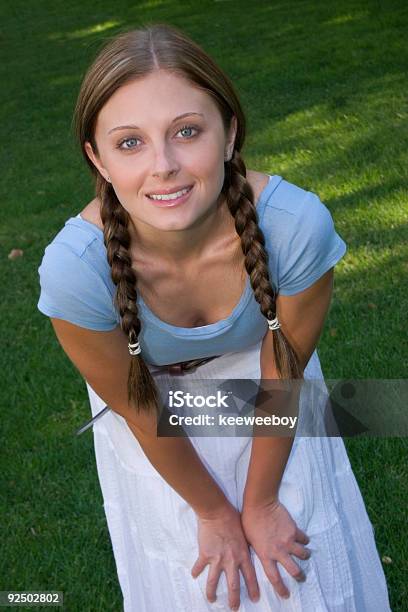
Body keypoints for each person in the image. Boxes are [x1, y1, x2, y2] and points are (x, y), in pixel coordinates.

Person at [37, 24, 391, 612]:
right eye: (130, 143)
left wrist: (260, 503)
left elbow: (284, 370)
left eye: (187, 131)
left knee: (303, 574)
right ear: (96, 159)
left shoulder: (295, 228)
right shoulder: (76, 273)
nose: (165, 165)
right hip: (152, 415)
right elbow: (142, 408)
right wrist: (212, 511)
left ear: (229, 134)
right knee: (197, 584)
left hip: (274, 394)